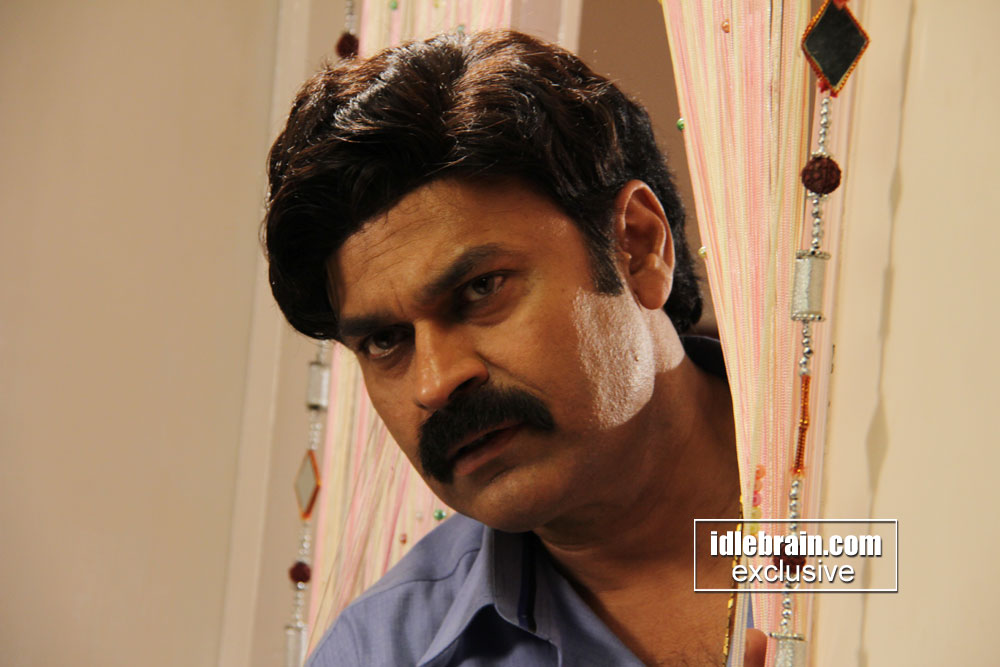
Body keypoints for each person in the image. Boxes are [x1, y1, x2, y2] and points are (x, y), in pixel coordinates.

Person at [264, 29, 765, 667]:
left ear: (638, 247)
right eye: (386, 340)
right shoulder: (382, 653)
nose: (434, 383)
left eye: (481, 289)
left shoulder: (859, 508)